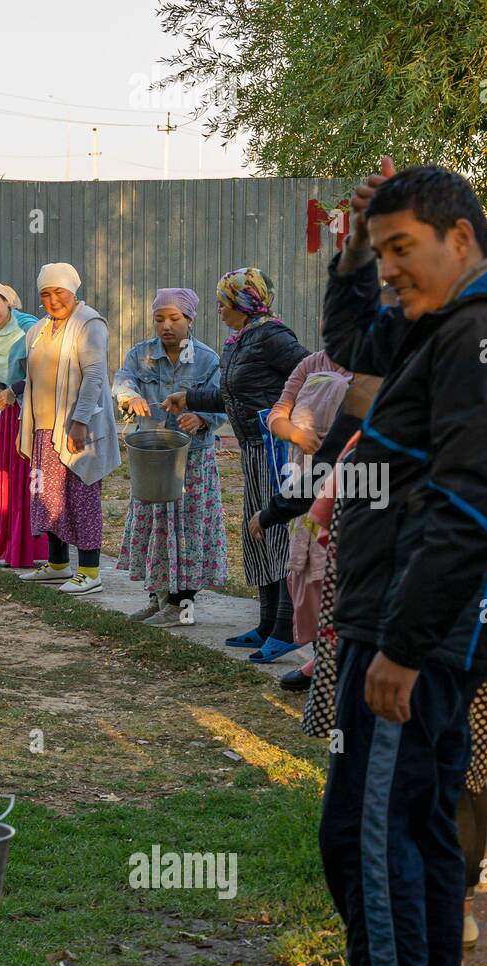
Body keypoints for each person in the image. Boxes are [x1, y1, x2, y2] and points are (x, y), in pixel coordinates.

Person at [318, 157, 487, 966]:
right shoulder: (444, 326)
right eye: (382, 253)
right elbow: (353, 342)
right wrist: (349, 260)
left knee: (370, 848)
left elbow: (474, 501)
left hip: (416, 640)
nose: (391, 271)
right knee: (417, 841)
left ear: (462, 237)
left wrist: (401, 646)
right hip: (415, 627)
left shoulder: (483, 338)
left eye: (402, 249)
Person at [163, 268, 309, 659]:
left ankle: (287, 627)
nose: (218, 310)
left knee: (275, 532)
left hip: (275, 448)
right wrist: (190, 398)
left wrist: (291, 419)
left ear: (243, 304)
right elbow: (234, 396)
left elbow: (312, 375)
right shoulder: (239, 341)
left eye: (223, 304)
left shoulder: (274, 337)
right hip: (251, 449)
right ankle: (265, 624)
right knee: (255, 534)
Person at [113, 288, 228, 623]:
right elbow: (121, 381)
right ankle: (158, 598)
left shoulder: (208, 359)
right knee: (154, 527)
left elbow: (224, 401)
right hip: (151, 457)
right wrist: (129, 396)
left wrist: (203, 418)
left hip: (192, 459)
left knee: (188, 530)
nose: (166, 325)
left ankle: (182, 606)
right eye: (159, 318)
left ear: (190, 320)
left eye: (174, 318)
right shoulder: (140, 354)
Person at [250, 347, 352, 687]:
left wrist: (271, 513)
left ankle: (337, 663)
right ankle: (321, 656)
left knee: (341, 574)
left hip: (355, 480)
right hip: (303, 470)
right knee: (312, 571)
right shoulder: (312, 363)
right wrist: (297, 434)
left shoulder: (374, 371)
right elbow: (278, 414)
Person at [16, 262, 120, 594]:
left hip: (78, 428)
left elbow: (94, 376)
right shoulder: (39, 330)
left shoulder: (89, 324)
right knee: (48, 497)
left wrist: (80, 422)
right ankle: (58, 565)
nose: (52, 300)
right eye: (45, 294)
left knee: (82, 496)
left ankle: (90, 571)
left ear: (73, 291)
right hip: (44, 429)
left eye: (58, 292)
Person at [0, 278, 44, 567]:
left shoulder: (30, 327)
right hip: (9, 413)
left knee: (29, 480)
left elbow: (40, 372)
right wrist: (0, 392)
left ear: (6, 301)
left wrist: (14, 391)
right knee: (7, 478)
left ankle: (31, 546)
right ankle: (6, 540)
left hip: (33, 411)